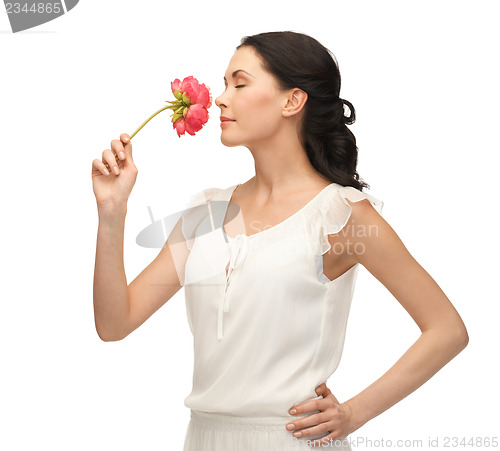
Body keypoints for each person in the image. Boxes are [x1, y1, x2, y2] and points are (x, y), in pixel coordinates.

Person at [91, 31, 469, 450]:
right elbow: (114, 323)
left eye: (239, 83)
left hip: (293, 440)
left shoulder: (340, 215)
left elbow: (446, 329)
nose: (220, 98)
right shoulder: (204, 215)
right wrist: (113, 213)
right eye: (223, 84)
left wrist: (354, 412)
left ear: (292, 101)